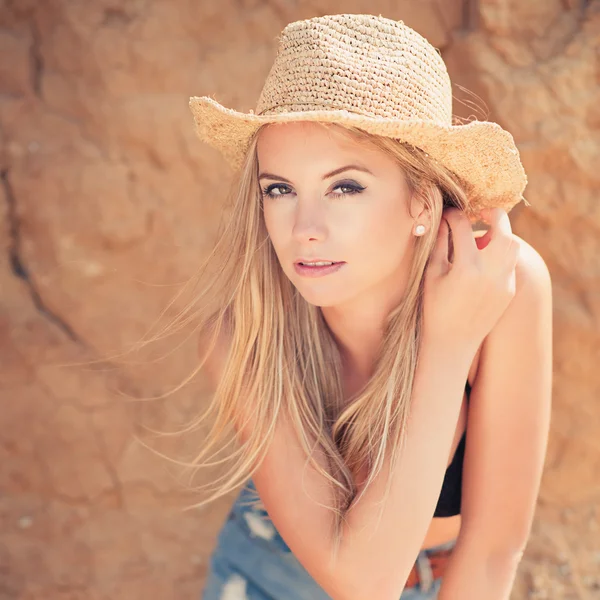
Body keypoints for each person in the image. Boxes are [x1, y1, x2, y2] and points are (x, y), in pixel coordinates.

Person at [187, 13, 553, 600]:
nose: (304, 229)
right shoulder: (244, 335)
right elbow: (361, 583)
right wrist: (448, 344)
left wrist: (460, 331)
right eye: (279, 189)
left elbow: (493, 552)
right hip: (270, 572)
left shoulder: (506, 289)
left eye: (345, 187)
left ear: (420, 200)